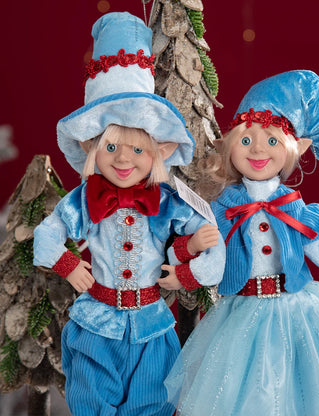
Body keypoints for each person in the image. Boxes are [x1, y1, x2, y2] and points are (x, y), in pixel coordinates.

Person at [165, 70, 319, 416]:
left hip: (299, 314)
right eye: (246, 141)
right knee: (245, 395)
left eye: (272, 140)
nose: (258, 149)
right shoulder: (223, 209)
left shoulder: (296, 209)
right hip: (241, 316)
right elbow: (213, 260)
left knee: (305, 392)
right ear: (228, 147)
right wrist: (183, 272)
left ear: (296, 148)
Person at [33, 12, 224, 416]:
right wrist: (68, 263)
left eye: (138, 149)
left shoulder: (166, 200)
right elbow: (46, 234)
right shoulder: (84, 200)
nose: (124, 159)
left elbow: (207, 236)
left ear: (159, 152)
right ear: (90, 149)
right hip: (97, 323)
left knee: (152, 398)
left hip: (151, 325)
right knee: (91, 396)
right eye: (112, 147)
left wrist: (189, 263)